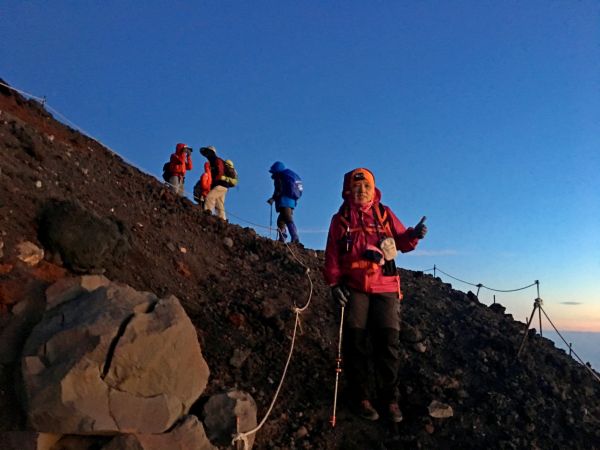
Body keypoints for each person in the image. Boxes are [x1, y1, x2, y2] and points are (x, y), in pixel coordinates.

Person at [323, 167, 427, 423]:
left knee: (388, 344)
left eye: (366, 187)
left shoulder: (383, 214)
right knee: (354, 344)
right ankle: (362, 397)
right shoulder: (340, 220)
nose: (362, 191)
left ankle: (390, 400)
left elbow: (403, 241)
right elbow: (332, 256)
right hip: (355, 287)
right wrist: (334, 285)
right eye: (357, 188)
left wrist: (414, 235)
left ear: (373, 190)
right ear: (347, 191)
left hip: (386, 287)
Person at [267, 161, 302, 244]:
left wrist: (273, 198)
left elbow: (279, 190)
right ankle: (283, 237)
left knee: (287, 218)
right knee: (281, 220)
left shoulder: (280, 178)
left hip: (285, 201)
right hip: (291, 202)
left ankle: (294, 237)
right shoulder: (286, 177)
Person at [200, 146, 237, 220]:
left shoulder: (215, 160)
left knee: (210, 198)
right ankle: (222, 219)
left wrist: (214, 183)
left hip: (220, 184)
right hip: (224, 185)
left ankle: (207, 214)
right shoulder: (217, 161)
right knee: (219, 203)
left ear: (210, 152)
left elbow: (219, 172)